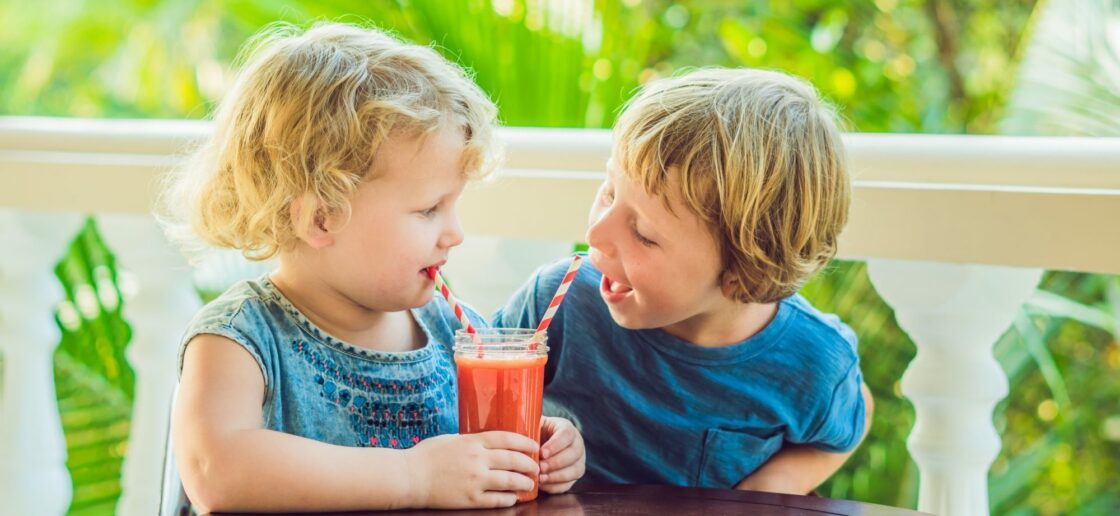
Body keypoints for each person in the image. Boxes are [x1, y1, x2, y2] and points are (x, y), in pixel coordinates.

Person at [163, 22, 584, 513]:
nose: (455, 233)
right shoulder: (238, 340)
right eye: (429, 210)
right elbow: (220, 473)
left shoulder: (452, 328)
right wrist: (414, 476)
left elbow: (478, 451)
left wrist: (546, 443)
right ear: (321, 217)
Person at [495, 68, 872, 494]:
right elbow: (473, 397)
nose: (597, 234)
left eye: (643, 234)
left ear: (740, 273)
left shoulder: (812, 363)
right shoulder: (558, 302)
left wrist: (768, 488)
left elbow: (851, 420)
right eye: (609, 191)